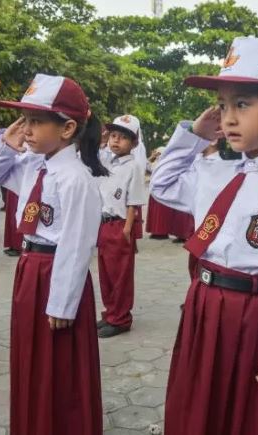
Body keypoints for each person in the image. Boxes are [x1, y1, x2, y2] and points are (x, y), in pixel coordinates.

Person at [150, 37, 258, 435]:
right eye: (223, 106)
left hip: (253, 313)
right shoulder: (216, 173)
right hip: (203, 303)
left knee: (244, 415)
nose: (228, 118)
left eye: (242, 105)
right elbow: (161, 186)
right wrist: (193, 135)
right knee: (197, 404)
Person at [0, 73, 104, 435]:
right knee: (30, 355)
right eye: (24, 120)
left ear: (67, 128)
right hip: (30, 268)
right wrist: (8, 143)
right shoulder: (32, 166)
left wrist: (63, 303)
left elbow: (76, 244)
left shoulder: (76, 179)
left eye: (36, 121)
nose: (26, 129)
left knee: (59, 361)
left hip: (55, 273)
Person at [96, 115, 146, 338]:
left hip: (120, 226)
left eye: (123, 138)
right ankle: (110, 313)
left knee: (120, 275)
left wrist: (127, 230)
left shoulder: (133, 166)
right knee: (106, 273)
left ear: (134, 143)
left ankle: (121, 318)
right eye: (113, 136)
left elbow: (133, 202)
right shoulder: (107, 161)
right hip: (104, 224)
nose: (116, 141)